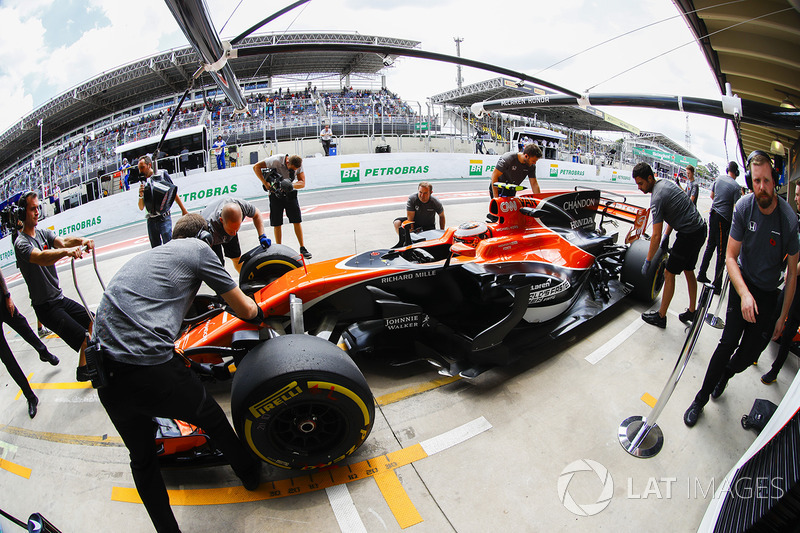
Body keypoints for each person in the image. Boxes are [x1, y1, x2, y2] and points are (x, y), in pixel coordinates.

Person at [93, 213, 262, 533]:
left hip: (106, 376)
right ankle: (250, 474)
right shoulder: (199, 250)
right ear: (202, 237)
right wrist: (260, 310)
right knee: (212, 418)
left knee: (142, 460)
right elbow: (245, 310)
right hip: (150, 370)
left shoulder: (149, 258)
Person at [683, 151, 798, 427]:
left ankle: (727, 374)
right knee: (726, 344)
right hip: (742, 284)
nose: (762, 187)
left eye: (767, 181)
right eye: (756, 181)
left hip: (768, 294)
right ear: (750, 180)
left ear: (775, 180)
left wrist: (782, 317)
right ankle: (700, 398)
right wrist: (744, 292)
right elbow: (730, 257)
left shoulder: (788, 220)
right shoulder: (744, 207)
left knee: (748, 355)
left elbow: (793, 273)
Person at [13, 191, 93, 378]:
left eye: (37, 208)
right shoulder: (21, 243)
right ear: (23, 213)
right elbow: (41, 258)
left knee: (93, 321)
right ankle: (87, 369)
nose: (37, 212)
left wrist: (82, 241)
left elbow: (63, 241)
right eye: (32, 209)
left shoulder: (43, 233)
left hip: (59, 299)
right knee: (83, 337)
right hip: (46, 307)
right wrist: (66, 252)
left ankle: (84, 369)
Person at [633, 162, 706, 328]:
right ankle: (692, 311)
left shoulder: (656, 197)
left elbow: (655, 235)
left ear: (650, 178)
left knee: (669, 273)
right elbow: (676, 212)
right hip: (700, 229)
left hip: (689, 235)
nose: (639, 187)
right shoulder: (665, 184)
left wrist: (648, 260)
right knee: (689, 270)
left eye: (641, 183)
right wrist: (667, 235)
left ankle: (661, 316)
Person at [0, 266, 60, 418]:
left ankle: (43, 352)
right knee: (7, 359)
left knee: (24, 328)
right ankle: (30, 397)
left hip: (2, 302)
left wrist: (7, 295)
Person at [759, 181, 800, 385]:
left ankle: (774, 371)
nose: (795, 198)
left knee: (789, 327)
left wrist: (792, 269)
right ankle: (755, 352)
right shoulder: (797, 220)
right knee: (775, 315)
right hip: (792, 281)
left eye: (799, 195)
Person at [252, 153, 312, 260]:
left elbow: (302, 183)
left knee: (297, 220)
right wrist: (265, 183)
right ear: (287, 162)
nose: (294, 171)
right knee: (277, 222)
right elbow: (256, 167)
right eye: (292, 169)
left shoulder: (298, 164)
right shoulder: (275, 160)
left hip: (290, 193)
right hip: (275, 194)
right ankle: (279, 249)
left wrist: (289, 185)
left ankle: (302, 247)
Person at [697, 161, 742, 292]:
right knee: (721, 252)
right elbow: (737, 207)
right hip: (724, 220)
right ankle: (717, 284)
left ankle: (701, 273)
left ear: (728, 169)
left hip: (713, 214)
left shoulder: (718, 179)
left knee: (710, 246)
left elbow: (711, 196)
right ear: (737, 172)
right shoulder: (736, 187)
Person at [201, 197, 270, 272]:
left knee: (237, 258)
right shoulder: (208, 228)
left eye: (237, 229)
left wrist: (262, 236)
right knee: (218, 266)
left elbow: (257, 214)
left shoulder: (242, 206)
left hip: (225, 226)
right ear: (222, 220)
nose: (234, 233)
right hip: (212, 235)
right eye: (232, 231)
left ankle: (244, 279)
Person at [137, 155, 188, 248]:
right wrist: (140, 195)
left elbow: (173, 193)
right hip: (151, 219)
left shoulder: (161, 175)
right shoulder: (143, 182)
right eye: (139, 168)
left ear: (149, 165)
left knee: (169, 244)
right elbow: (141, 207)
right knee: (155, 248)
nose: (140, 171)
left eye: (142, 167)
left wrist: (183, 209)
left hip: (164, 217)